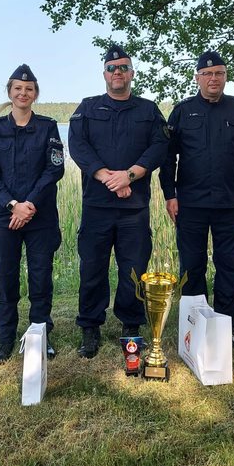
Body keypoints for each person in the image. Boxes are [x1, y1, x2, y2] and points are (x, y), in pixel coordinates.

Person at [68, 45, 169, 358]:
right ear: (104, 74)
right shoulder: (87, 108)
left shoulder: (148, 110)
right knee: (92, 269)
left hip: (133, 208)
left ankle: (131, 326)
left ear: (132, 73)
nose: (118, 73)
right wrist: (108, 178)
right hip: (97, 207)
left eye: (123, 67)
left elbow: (159, 147)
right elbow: (78, 147)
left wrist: (130, 175)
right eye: (112, 68)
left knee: (133, 269)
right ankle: (90, 327)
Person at [159, 50, 234, 341]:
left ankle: (225, 327)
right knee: (192, 266)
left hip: (230, 204)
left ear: (226, 77)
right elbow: (167, 157)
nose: (213, 78)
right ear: (197, 78)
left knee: (230, 267)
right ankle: (195, 325)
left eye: (219, 73)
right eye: (207, 74)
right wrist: (169, 194)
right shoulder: (182, 111)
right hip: (190, 204)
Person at [0, 65, 64, 364]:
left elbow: (54, 169)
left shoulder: (48, 127)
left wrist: (29, 204)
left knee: (40, 280)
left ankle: (40, 335)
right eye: (18, 88)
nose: (23, 93)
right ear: (10, 92)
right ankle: (5, 340)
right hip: (5, 217)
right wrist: (13, 204)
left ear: (35, 94)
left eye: (29, 89)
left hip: (41, 217)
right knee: (5, 281)